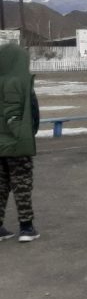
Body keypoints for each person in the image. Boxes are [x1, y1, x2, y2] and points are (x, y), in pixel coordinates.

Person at [0, 44, 41, 242]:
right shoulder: (17, 82)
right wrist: (23, 135)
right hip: (16, 144)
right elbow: (15, 112)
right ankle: (26, 227)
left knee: (1, 185)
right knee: (22, 184)